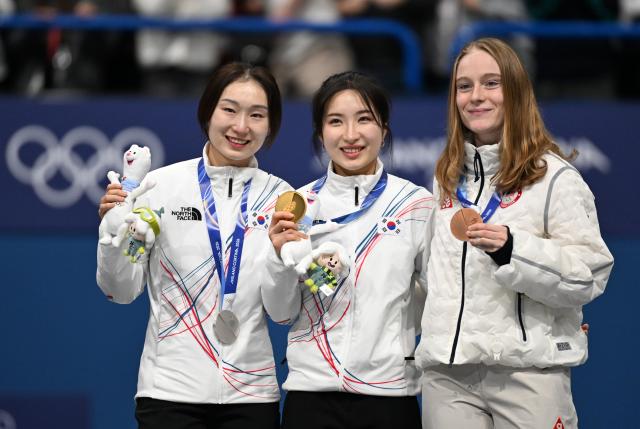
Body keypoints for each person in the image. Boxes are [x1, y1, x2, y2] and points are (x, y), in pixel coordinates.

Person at [415, 37, 614, 429]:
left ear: (517, 92)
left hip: (527, 374)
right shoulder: (445, 181)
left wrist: (513, 250)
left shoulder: (554, 178)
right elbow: (433, 280)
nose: (476, 97)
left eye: (492, 83)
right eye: (464, 86)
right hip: (448, 375)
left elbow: (590, 274)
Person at [96, 62, 290, 429]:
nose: (241, 126)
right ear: (207, 111)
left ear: (271, 124)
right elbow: (120, 290)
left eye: (257, 115)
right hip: (169, 393)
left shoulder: (283, 199)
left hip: (252, 395)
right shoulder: (158, 188)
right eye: (229, 109)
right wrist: (112, 235)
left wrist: (284, 258)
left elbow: (283, 310)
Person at [262, 71, 432, 429]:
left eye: (364, 119)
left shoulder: (415, 204)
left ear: (384, 129)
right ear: (320, 132)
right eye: (336, 121)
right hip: (311, 397)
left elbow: (442, 298)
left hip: (389, 397)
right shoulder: (299, 205)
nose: (351, 135)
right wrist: (278, 258)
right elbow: (280, 313)